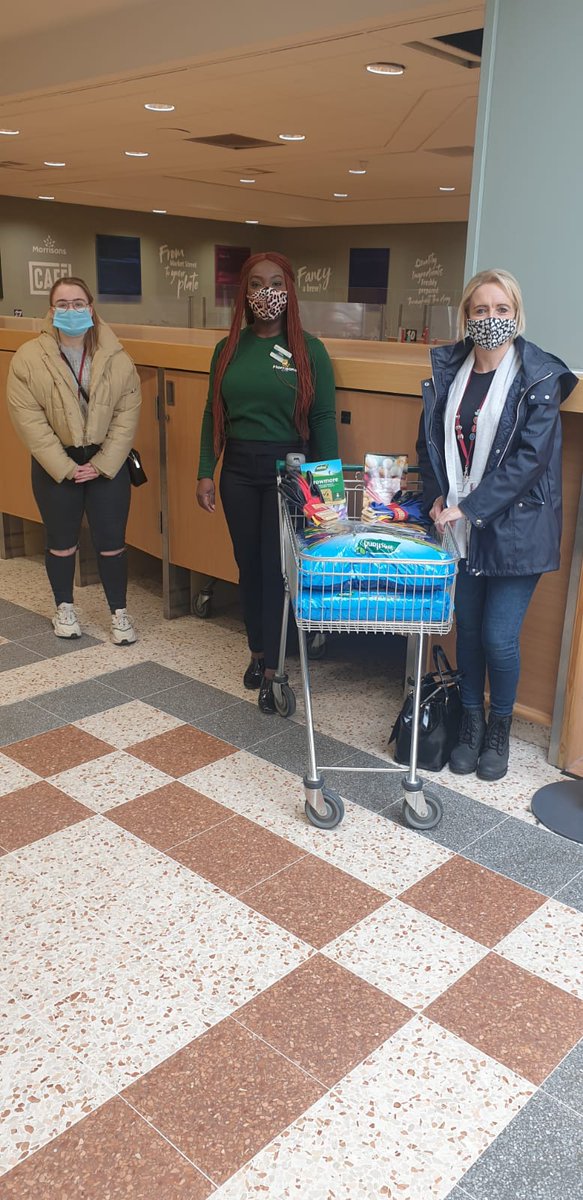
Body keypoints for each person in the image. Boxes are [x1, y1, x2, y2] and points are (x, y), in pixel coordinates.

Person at [417, 268, 577, 780]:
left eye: (501, 310)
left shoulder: (540, 377)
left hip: (516, 529)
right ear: (466, 318)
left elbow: (529, 460)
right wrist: (441, 494)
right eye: (480, 311)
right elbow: (431, 444)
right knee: (467, 631)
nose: (490, 319)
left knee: (498, 636)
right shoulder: (450, 371)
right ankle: (470, 721)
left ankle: (499, 728)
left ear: (517, 314)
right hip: (461, 526)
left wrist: (472, 505)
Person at [197, 252, 339, 713]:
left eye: (276, 283)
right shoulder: (228, 349)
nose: (266, 293)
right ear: (244, 292)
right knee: (248, 565)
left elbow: (321, 420)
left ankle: (277, 670)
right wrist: (205, 469)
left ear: (290, 290)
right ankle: (257, 652)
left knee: (277, 571)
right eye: (256, 284)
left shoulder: (309, 350)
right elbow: (211, 415)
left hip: (288, 470)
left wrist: (328, 492)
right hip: (237, 468)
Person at [7, 276, 142, 645]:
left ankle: (119, 612)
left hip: (106, 462)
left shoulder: (117, 356)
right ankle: (64, 607)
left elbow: (126, 414)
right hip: (56, 464)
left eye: (79, 303)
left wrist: (101, 464)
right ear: (51, 311)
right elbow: (29, 420)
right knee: (62, 541)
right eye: (63, 304)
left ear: (91, 308)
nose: (71, 311)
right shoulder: (29, 358)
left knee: (112, 541)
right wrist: (66, 467)